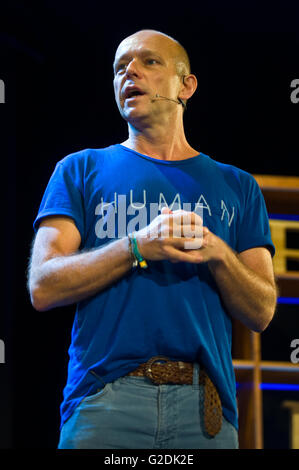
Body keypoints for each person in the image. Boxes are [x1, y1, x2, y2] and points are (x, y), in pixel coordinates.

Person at [28, 29, 277, 449]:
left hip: (206, 411)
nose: (130, 73)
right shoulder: (79, 169)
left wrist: (218, 252)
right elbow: (43, 284)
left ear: (187, 85)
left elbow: (262, 310)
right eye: (119, 68)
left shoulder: (239, 186)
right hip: (105, 403)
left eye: (148, 62)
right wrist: (137, 247)